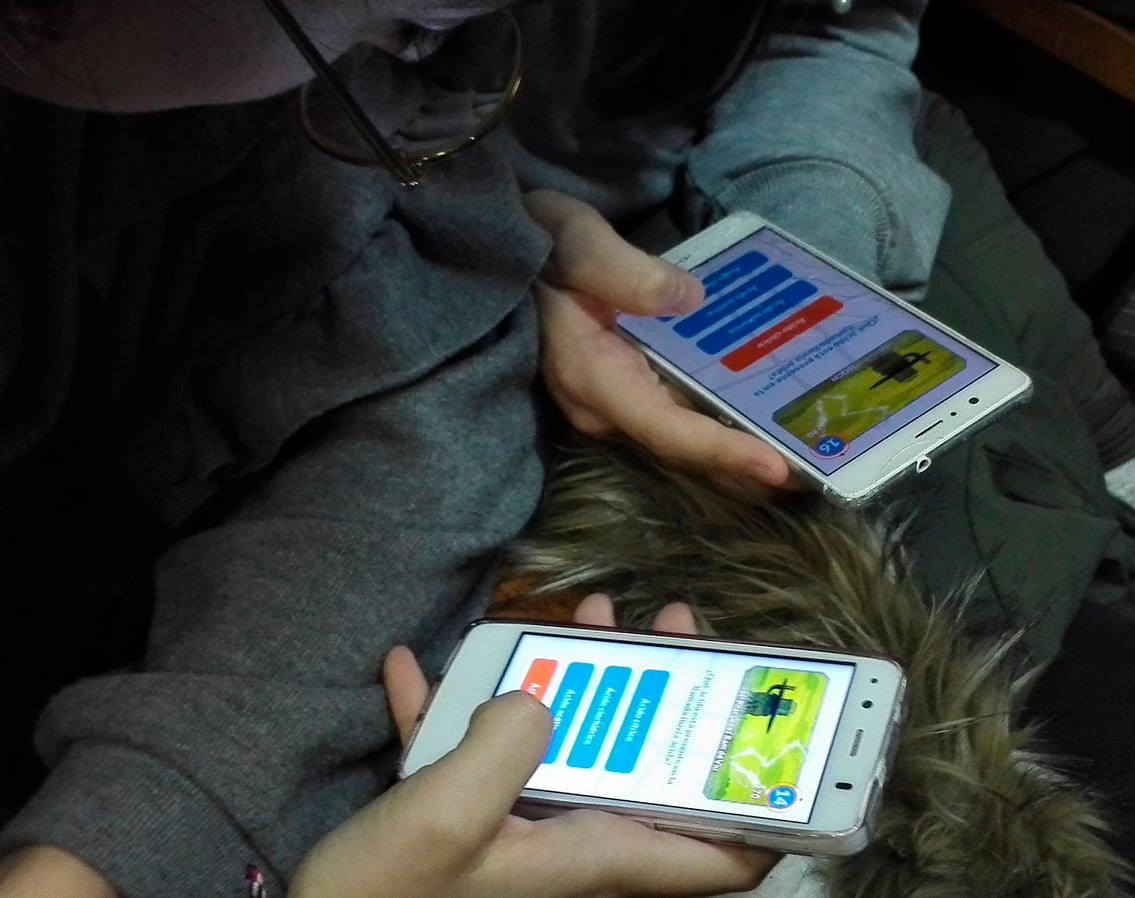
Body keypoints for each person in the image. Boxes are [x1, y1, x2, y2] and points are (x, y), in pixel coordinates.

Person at [3, 0, 1120, 894]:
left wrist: (790, 280)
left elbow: (838, 27)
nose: (448, 66)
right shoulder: (289, 118)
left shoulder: (317, 116)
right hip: (515, 236)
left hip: (675, 203)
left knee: (1054, 495)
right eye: (409, 25)